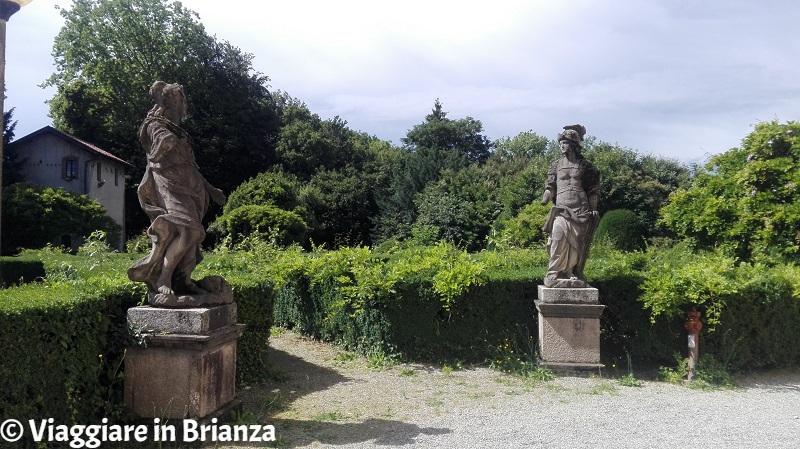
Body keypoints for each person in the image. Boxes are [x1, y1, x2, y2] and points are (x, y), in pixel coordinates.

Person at [128, 81, 226, 305]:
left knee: (190, 237)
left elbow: (191, 166)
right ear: (174, 101)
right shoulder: (154, 124)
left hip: (190, 188)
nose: (186, 105)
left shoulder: (176, 130)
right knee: (189, 230)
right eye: (183, 100)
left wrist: (210, 189)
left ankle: (183, 280)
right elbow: (156, 156)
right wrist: (166, 142)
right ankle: (164, 277)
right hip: (170, 186)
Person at [540, 124, 600, 288]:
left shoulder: (586, 166)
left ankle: (570, 272)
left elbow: (592, 190)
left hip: (580, 209)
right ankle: (554, 272)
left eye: (564, 143)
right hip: (561, 209)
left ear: (573, 145)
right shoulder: (555, 165)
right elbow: (550, 186)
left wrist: (593, 208)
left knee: (576, 244)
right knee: (558, 240)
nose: (561, 145)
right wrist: (545, 198)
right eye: (560, 143)